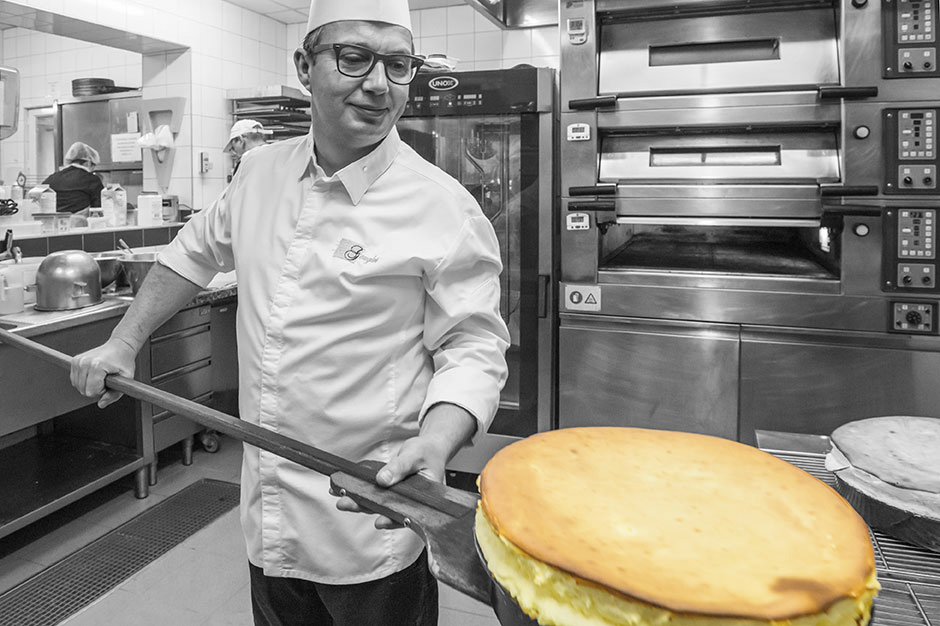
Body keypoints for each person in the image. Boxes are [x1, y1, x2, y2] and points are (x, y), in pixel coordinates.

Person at [69, 1, 509, 625]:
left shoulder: (443, 207)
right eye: (354, 58)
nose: (379, 84)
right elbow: (191, 254)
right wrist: (123, 340)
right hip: (268, 515)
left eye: (398, 65)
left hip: (371, 521)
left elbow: (474, 346)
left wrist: (436, 443)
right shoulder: (259, 173)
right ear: (305, 66)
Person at [41, 141, 104, 214]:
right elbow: (99, 209)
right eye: (93, 166)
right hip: (81, 220)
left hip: (53, 220)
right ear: (88, 163)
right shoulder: (92, 180)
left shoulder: (51, 179)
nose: (93, 169)